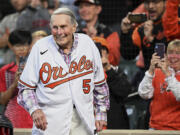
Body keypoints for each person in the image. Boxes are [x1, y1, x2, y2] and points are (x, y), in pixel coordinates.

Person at [17, 7, 109, 135]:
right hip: (49, 125)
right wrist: (34, 110)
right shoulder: (40, 47)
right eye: (55, 27)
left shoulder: (87, 44)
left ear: (74, 27)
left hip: (83, 123)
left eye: (63, 26)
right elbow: (25, 88)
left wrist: (101, 112)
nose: (59, 32)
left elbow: (100, 85)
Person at [138, 39, 180, 130]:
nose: (173, 56)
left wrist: (167, 73)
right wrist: (151, 70)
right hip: (155, 128)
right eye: (170, 52)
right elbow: (144, 94)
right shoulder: (157, 72)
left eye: (178, 53)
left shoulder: (164, 72)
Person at [93, 36, 131, 129]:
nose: (98, 53)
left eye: (102, 50)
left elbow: (124, 92)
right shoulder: (84, 75)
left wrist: (108, 69)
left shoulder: (116, 71)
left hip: (114, 124)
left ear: (107, 53)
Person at [0, 29, 33, 128]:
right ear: (10, 46)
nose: (22, 49)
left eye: (25, 45)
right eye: (18, 45)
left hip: (34, 118)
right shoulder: (5, 71)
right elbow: (2, 101)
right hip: (12, 118)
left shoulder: (37, 69)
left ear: (30, 46)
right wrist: (14, 84)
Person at [74, 0, 120, 66]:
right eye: (81, 7)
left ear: (98, 9)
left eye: (87, 6)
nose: (84, 9)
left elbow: (114, 61)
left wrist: (96, 40)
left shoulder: (108, 33)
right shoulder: (76, 33)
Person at [0, 0, 29, 67]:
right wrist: (5, 40)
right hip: (8, 65)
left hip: (31, 65)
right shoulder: (7, 19)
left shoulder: (38, 16)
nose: (15, 1)